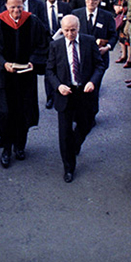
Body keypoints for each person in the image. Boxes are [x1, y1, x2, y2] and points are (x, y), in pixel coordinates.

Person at [0, 0, 48, 168]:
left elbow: (43, 44)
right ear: (6, 6)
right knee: (5, 112)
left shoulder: (32, 21)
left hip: (26, 76)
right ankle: (6, 147)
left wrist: (34, 62)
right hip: (4, 78)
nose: (17, 10)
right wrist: (3, 64)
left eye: (19, 6)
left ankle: (20, 146)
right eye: (13, 7)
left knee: (23, 111)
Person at [46, 15, 105, 182]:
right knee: (64, 133)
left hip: (85, 92)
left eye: (73, 30)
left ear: (78, 28)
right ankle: (69, 167)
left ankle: (75, 143)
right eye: (66, 31)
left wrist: (93, 81)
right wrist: (58, 86)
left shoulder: (88, 41)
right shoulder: (56, 45)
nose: (70, 34)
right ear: (61, 29)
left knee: (86, 124)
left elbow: (99, 65)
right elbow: (49, 71)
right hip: (65, 93)